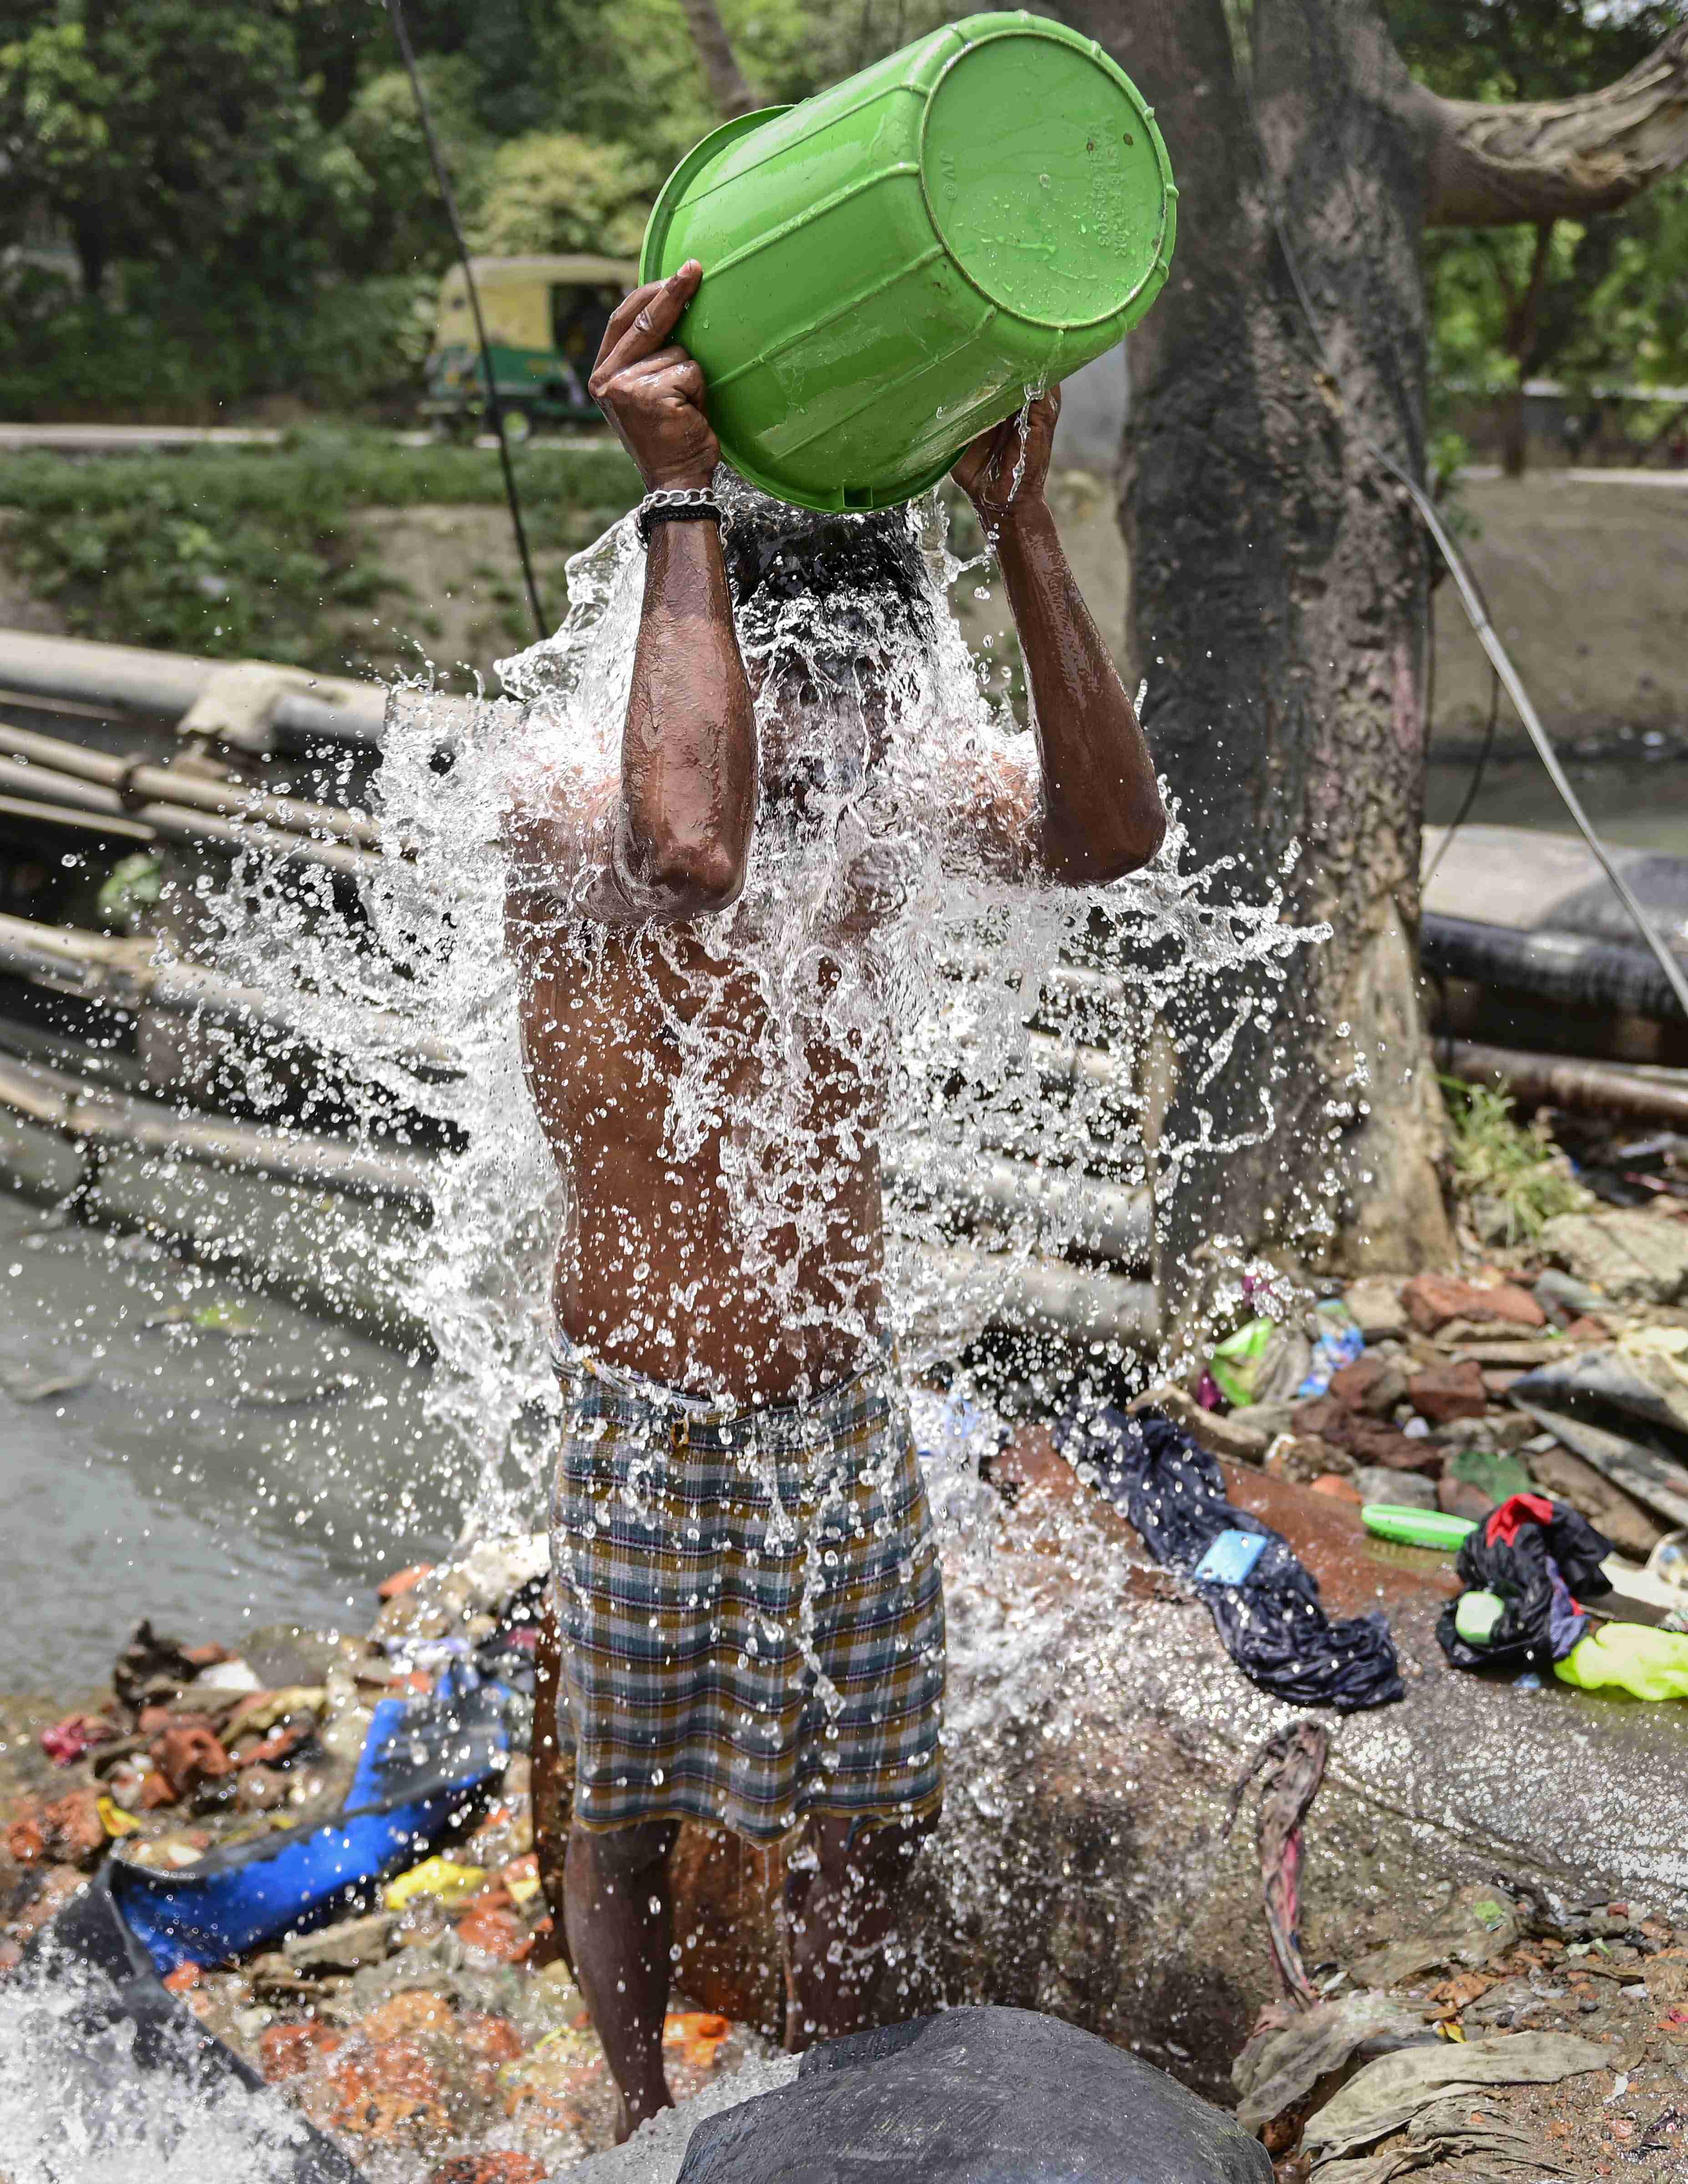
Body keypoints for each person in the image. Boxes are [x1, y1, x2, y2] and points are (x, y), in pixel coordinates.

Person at [506, 258, 1165, 2141]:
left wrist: (1024, 527)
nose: (867, 727)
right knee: (623, 1811)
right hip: (641, 1407)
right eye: (837, 691)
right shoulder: (571, 799)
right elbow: (691, 840)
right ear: (748, 659)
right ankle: (636, 2122)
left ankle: (831, 2126)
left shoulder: (880, 787)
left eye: (885, 690)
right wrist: (686, 502)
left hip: (833, 1396)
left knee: (862, 1825)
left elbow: (1109, 839)